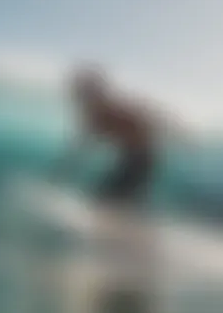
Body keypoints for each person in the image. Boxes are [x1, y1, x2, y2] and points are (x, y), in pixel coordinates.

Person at [54, 65, 159, 207]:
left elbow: (83, 145)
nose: (77, 95)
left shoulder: (101, 109)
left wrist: (63, 170)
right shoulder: (101, 108)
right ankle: (126, 213)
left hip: (140, 156)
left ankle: (125, 219)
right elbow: (85, 144)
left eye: (81, 90)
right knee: (111, 194)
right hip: (135, 155)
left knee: (110, 195)